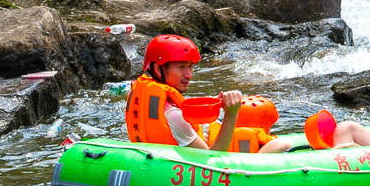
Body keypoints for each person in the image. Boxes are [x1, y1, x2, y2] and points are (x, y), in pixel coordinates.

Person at [124, 34, 300, 153]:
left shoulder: (143, 93)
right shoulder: (174, 115)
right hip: (206, 172)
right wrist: (231, 115)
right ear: (157, 68)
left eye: (190, 67)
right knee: (280, 144)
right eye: (181, 67)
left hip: (158, 160)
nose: (189, 75)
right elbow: (212, 160)